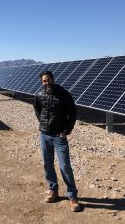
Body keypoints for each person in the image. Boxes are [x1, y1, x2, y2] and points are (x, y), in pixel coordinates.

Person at [33, 70, 81, 212]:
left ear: (53, 79)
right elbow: (37, 109)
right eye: (44, 81)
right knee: (47, 164)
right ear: (41, 82)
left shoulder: (64, 94)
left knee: (65, 166)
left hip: (59, 137)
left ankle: (72, 197)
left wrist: (66, 130)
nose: (46, 83)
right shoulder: (40, 95)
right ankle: (53, 191)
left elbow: (73, 113)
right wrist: (42, 123)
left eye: (48, 80)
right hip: (44, 135)